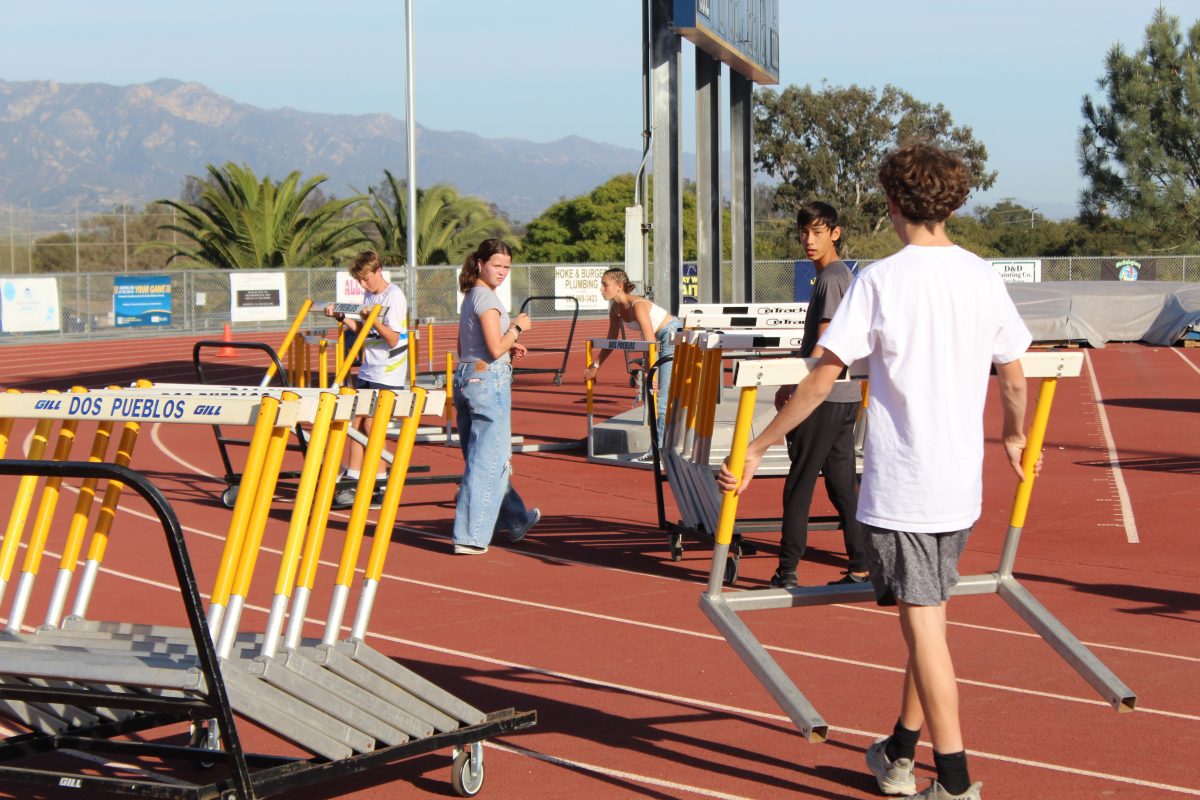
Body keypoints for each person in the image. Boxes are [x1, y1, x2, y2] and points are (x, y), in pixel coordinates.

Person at [717, 141, 1035, 800]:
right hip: (961, 485)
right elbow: (1012, 373)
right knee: (931, 624)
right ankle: (897, 751)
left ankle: (954, 782)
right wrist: (1014, 434)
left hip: (906, 489)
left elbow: (820, 379)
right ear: (952, 202)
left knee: (926, 632)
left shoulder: (883, 281)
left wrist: (756, 446)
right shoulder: (982, 275)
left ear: (892, 205)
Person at [771, 201, 869, 589]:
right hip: (844, 398)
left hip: (825, 397)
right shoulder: (840, 276)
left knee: (799, 484)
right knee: (843, 485)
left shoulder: (831, 278)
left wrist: (798, 384)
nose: (809, 240)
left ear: (835, 233)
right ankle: (861, 564)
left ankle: (787, 571)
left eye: (817, 232)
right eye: (804, 232)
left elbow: (826, 342)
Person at [452, 238, 540, 555]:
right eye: (497, 265)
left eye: (506, 267)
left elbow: (470, 345)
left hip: (468, 376)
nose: (502, 271)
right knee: (489, 460)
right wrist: (517, 328)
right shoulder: (487, 299)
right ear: (480, 263)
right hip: (488, 381)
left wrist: (506, 345)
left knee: (483, 457)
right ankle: (470, 535)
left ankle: (515, 519)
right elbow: (494, 348)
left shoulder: (471, 295)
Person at [324, 250, 408, 508]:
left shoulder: (394, 295)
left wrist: (371, 316)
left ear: (378, 271)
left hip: (388, 370)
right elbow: (366, 331)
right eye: (358, 280)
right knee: (356, 423)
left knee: (373, 426)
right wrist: (343, 317)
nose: (362, 284)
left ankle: (380, 482)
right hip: (369, 369)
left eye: (365, 279)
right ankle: (354, 478)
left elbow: (393, 337)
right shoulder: (369, 295)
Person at [581, 268, 681, 461]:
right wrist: (595, 366)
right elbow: (611, 340)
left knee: (661, 398)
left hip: (671, 336)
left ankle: (659, 452)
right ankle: (663, 449)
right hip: (656, 342)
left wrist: (650, 370)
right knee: (658, 397)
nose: (601, 289)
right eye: (601, 284)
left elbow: (650, 339)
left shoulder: (638, 305)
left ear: (619, 287)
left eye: (605, 284)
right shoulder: (616, 310)